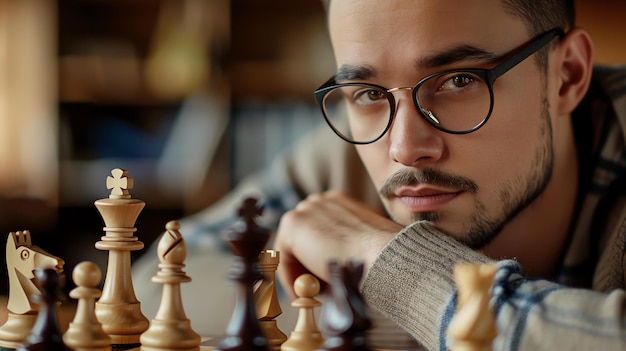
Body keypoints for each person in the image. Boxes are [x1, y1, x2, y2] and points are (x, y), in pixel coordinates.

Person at [272, 0, 626, 350]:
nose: (404, 150)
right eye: (368, 92)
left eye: (459, 80)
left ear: (567, 75)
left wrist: (390, 267)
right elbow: (219, 267)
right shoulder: (344, 149)